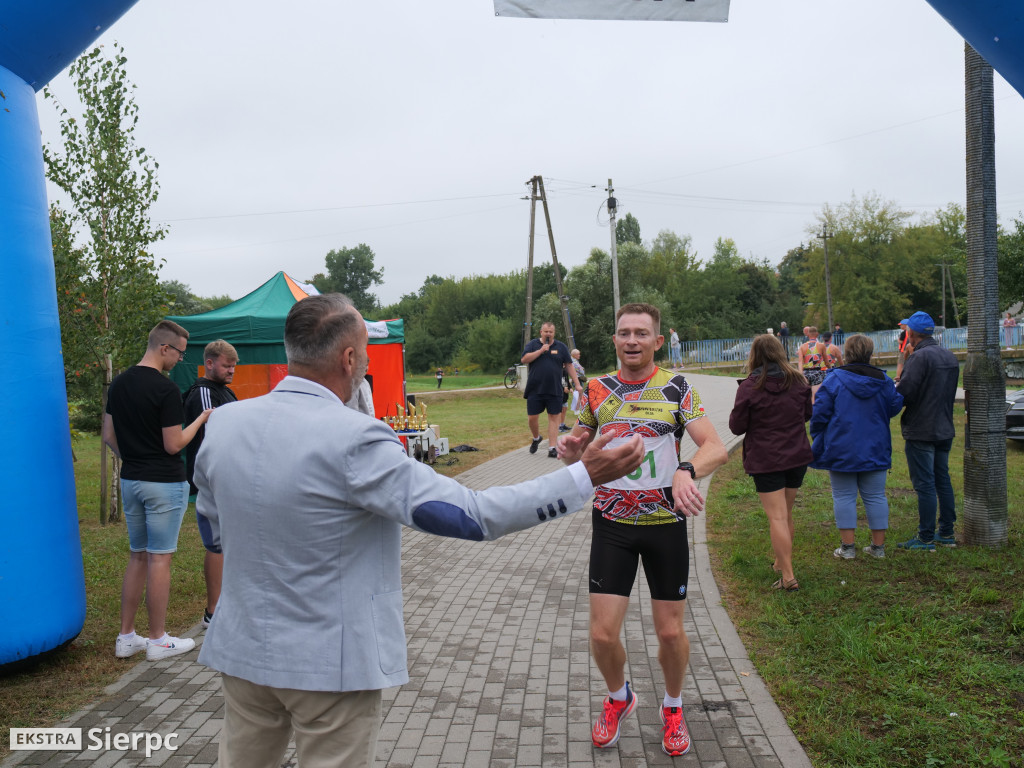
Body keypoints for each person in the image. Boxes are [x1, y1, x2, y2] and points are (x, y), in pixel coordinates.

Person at [194, 294, 644, 768]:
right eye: (364, 353)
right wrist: (582, 478)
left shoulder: (223, 423)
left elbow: (212, 527)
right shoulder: (356, 438)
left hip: (242, 651)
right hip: (329, 665)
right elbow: (472, 514)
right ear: (350, 359)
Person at [558, 303, 728, 757]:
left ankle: (672, 706)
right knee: (601, 635)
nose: (631, 340)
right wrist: (569, 448)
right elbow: (578, 445)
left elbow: (716, 446)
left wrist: (687, 469)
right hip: (612, 524)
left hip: (664, 525)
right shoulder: (597, 389)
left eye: (641, 333)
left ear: (657, 340)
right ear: (613, 340)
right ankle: (619, 696)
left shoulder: (676, 387)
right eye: (623, 332)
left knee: (670, 633)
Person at [102, 320, 213, 661]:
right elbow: (172, 444)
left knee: (138, 555)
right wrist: (201, 419)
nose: (181, 359)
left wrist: (133, 459)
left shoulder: (118, 384)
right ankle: (158, 639)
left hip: (132, 479)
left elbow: (107, 436)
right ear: (165, 348)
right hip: (163, 482)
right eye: (179, 352)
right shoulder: (165, 390)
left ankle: (127, 637)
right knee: (159, 559)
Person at [729, 334, 813, 592]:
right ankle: (780, 561)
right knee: (785, 513)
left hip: (766, 458)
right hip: (796, 455)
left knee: (776, 517)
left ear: (754, 355)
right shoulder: (799, 381)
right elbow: (807, 414)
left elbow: (736, 426)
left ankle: (788, 576)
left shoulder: (749, 387)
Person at [810, 334, 904, 559]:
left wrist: (818, 435)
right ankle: (878, 548)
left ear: (847, 353)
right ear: (870, 353)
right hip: (876, 446)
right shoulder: (884, 380)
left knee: (843, 496)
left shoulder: (834, 379)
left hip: (841, 446)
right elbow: (894, 406)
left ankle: (848, 548)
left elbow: (819, 413)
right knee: (876, 496)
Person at [182, 339, 239, 629]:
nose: (231, 370)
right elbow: (210, 434)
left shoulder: (224, 392)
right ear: (210, 363)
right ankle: (213, 610)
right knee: (217, 544)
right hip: (214, 478)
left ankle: (228, 601)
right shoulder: (204, 392)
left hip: (230, 476)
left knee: (231, 541)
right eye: (227, 365)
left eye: (234, 366)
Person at [895, 311, 960, 551]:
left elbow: (905, 392)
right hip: (944, 428)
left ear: (911, 333)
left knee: (925, 484)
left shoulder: (919, 358)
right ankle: (946, 533)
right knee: (943, 481)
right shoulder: (949, 356)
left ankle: (925, 538)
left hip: (922, 430)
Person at [521, 321, 583, 457]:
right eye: (546, 331)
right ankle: (536, 438)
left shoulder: (561, 347)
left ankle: (552, 448)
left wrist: (577, 384)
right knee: (532, 417)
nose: (548, 334)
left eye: (551, 332)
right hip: (535, 388)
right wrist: (541, 350)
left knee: (554, 417)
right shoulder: (532, 344)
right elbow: (524, 359)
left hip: (554, 389)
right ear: (541, 332)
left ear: (554, 333)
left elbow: (569, 365)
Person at [798, 326, 829, 396]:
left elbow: (800, 361)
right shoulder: (821, 346)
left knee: (806, 395)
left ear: (808, 334)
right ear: (817, 334)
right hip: (818, 372)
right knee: (815, 395)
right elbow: (826, 362)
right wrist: (830, 369)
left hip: (806, 372)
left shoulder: (802, 346)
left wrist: (801, 374)